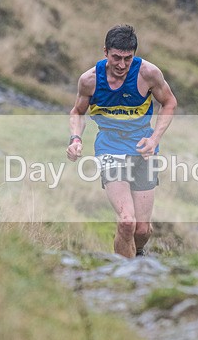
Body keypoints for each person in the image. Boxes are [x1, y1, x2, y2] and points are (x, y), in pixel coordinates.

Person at [66, 25, 177, 258]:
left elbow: (169, 103)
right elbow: (77, 112)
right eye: (116, 57)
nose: (121, 64)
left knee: (142, 230)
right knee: (127, 222)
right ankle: (123, 278)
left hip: (143, 149)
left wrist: (154, 138)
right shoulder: (89, 80)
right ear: (105, 52)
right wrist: (76, 139)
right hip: (110, 148)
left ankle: (137, 256)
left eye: (128, 58)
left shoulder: (148, 73)